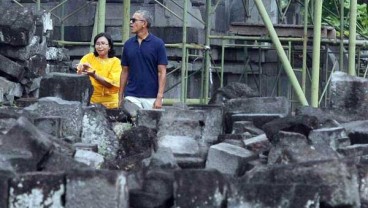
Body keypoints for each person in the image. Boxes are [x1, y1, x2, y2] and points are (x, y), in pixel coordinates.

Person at [119, 9, 168, 110]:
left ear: (144, 23)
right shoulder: (128, 44)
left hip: (152, 97)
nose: (130, 23)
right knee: (131, 124)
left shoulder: (158, 44)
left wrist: (159, 97)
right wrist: (120, 97)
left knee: (150, 125)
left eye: (134, 20)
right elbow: (124, 71)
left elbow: (162, 72)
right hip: (131, 95)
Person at [77, 32, 122, 109]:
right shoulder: (89, 57)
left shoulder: (116, 62)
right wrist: (83, 69)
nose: (100, 46)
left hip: (111, 103)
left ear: (109, 47)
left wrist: (95, 76)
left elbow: (111, 84)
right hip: (91, 101)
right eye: (97, 44)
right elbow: (79, 75)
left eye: (103, 43)